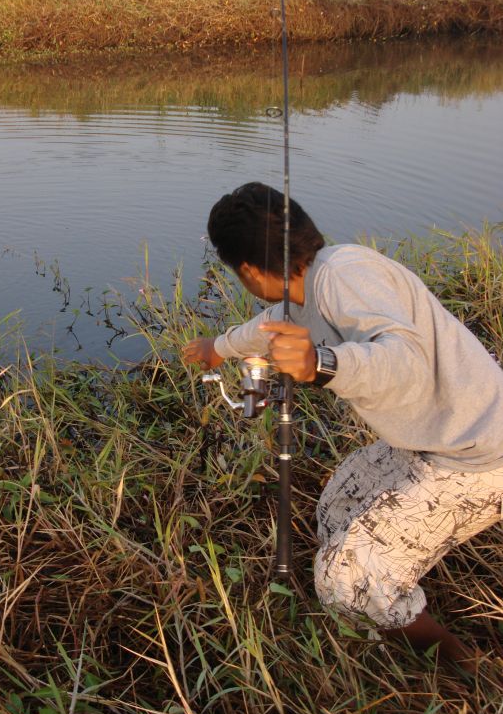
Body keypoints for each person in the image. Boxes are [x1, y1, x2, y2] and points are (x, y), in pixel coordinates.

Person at [183, 181, 503, 673]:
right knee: (339, 505)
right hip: (430, 436)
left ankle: (465, 665)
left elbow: (406, 359)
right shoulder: (309, 284)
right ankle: (390, 596)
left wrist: (320, 364)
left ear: (246, 270)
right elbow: (272, 324)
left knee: (344, 577)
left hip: (479, 452)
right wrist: (218, 347)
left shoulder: (345, 275)